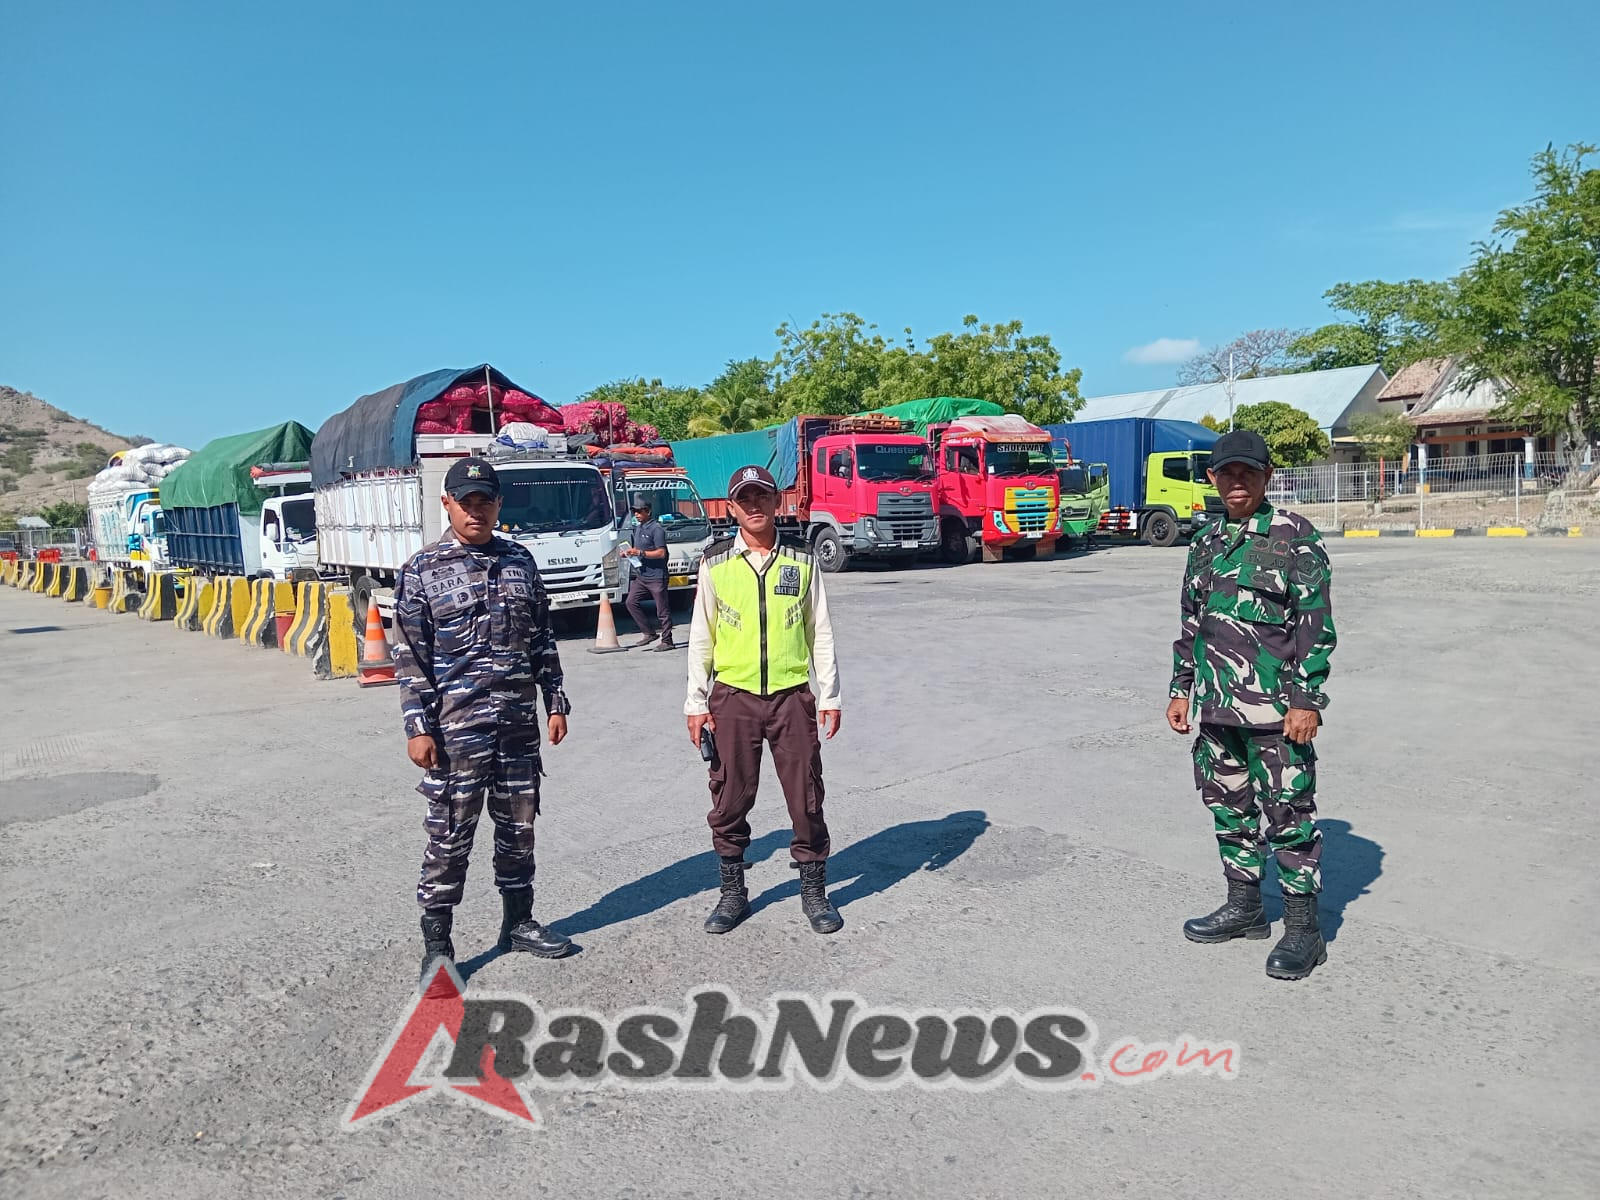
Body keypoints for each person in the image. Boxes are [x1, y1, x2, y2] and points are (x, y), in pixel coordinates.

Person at [393, 456, 574, 988]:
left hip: (517, 725)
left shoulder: (519, 561)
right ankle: (438, 946)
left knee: (519, 829)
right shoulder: (422, 569)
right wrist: (417, 727)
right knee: (450, 836)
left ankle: (518, 923)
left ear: (498, 505)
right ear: (447, 503)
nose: (476, 511)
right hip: (456, 731)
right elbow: (409, 657)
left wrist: (555, 700)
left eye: (485, 502)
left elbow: (541, 637)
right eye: (466, 502)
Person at [1167, 429, 1337, 981]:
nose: (1236, 481)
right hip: (1217, 710)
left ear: (1267, 477)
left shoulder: (1294, 536)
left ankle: (1304, 930)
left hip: (1275, 714)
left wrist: (1307, 700)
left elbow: (1315, 625)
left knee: (1289, 817)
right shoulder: (1204, 542)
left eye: (1248, 472)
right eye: (1227, 473)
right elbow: (1192, 623)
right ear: (1212, 479)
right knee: (1229, 810)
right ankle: (1245, 909)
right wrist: (1181, 687)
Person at [684, 465, 843, 936]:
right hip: (733, 698)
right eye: (744, 498)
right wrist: (696, 702)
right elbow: (701, 636)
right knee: (730, 797)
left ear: (777, 502)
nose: (754, 505)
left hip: (791, 697)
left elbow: (820, 630)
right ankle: (732, 893)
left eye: (762, 496)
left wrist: (830, 694)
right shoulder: (715, 562)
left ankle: (814, 891)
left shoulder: (802, 559)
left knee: (806, 797)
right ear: (732, 508)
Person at [621, 494, 673, 650]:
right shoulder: (638, 528)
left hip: (657, 576)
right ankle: (649, 633)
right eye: (635, 512)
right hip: (642, 576)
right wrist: (628, 553)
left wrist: (640, 553)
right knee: (631, 602)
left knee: (662, 610)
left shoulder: (656, 529)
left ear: (648, 511)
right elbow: (637, 550)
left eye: (639, 511)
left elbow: (661, 553)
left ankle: (667, 641)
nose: (636, 514)